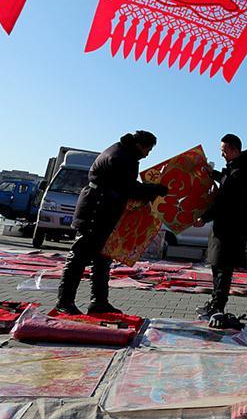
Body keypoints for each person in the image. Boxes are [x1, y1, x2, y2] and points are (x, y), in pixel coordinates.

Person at [54, 132, 168, 316]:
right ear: (140, 145)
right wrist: (155, 189)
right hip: (96, 211)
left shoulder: (121, 151)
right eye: (148, 149)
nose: (147, 154)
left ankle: (99, 302)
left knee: (103, 258)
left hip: (101, 209)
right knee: (78, 257)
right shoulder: (122, 157)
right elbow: (129, 188)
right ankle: (64, 302)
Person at [195, 134, 247, 319]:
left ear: (234, 150)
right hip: (226, 227)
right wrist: (213, 174)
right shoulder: (237, 169)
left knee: (223, 269)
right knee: (217, 266)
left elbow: (224, 201)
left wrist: (204, 217)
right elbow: (226, 181)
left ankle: (218, 307)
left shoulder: (241, 173)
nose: (222, 154)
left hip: (230, 229)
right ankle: (215, 303)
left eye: (224, 151)